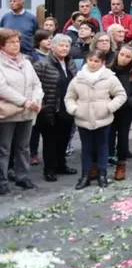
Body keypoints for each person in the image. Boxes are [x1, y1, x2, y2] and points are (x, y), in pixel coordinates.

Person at [64, 48, 126, 189]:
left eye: (96, 61)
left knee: (102, 146)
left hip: (102, 118)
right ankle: (85, 175)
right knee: (86, 148)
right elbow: (70, 97)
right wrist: (74, 109)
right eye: (90, 60)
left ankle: (102, 174)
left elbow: (121, 95)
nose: (93, 63)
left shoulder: (109, 77)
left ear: (102, 62)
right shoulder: (78, 78)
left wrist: (109, 107)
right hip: (83, 118)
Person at [0, 29, 44, 194]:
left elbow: (36, 84)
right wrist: (25, 101)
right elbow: (2, 88)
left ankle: (22, 177)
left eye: (17, 41)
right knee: (4, 149)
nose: (15, 45)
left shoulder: (25, 62)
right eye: (11, 42)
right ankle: (2, 181)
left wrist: (36, 100)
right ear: (2, 45)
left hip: (27, 112)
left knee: (23, 147)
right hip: (8, 113)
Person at [33, 34, 78, 182]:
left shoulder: (71, 63)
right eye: (61, 45)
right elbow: (35, 88)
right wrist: (43, 107)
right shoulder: (42, 65)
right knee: (50, 141)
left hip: (67, 107)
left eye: (67, 46)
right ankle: (50, 170)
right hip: (49, 109)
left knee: (64, 139)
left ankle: (61, 165)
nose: (64, 48)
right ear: (53, 47)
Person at [107, 45, 132, 180]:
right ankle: (98, 166)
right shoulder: (107, 71)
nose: (124, 58)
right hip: (107, 109)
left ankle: (121, 166)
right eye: (122, 55)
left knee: (123, 138)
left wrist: (129, 101)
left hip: (125, 111)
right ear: (117, 54)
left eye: (128, 56)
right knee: (105, 137)